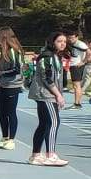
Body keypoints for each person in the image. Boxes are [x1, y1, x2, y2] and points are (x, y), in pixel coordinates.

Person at [29, 33, 70, 166]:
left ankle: (35, 155)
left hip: (48, 94)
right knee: (54, 122)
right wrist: (58, 95)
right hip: (46, 94)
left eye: (64, 41)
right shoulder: (48, 57)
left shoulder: (57, 57)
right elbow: (47, 78)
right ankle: (50, 155)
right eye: (59, 41)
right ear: (52, 42)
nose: (63, 44)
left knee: (43, 124)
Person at [0, 28, 23, 150]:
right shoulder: (3, 51)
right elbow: (1, 69)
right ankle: (4, 136)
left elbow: (16, 69)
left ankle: (12, 139)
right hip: (2, 84)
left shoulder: (13, 51)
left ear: (3, 37)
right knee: (1, 112)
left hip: (12, 85)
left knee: (10, 112)